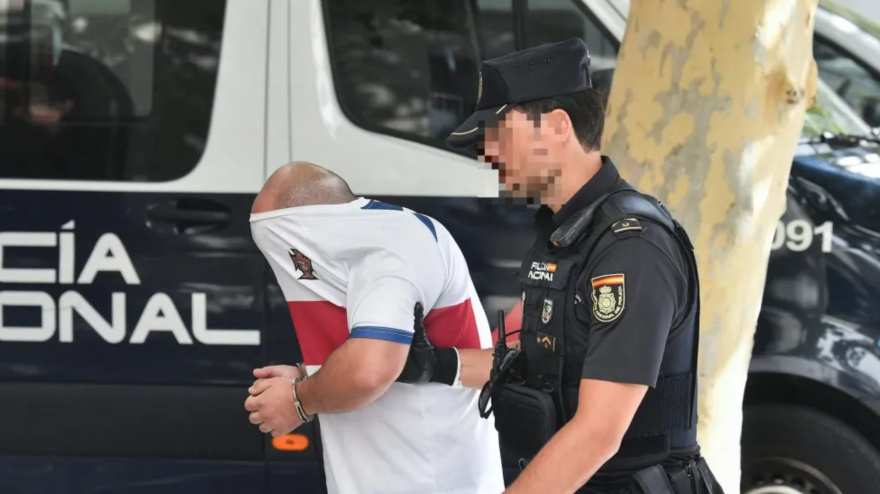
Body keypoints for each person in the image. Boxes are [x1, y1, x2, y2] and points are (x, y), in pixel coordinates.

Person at [406, 38, 724, 493]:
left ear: (556, 127)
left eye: (498, 134)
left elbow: (598, 432)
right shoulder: (564, 234)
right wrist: (431, 365)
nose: (487, 154)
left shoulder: (631, 247)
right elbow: (545, 369)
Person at [243, 162, 505, 494]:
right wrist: (310, 373)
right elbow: (365, 349)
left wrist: (298, 400)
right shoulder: (375, 243)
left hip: (433, 479)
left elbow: (368, 371)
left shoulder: (394, 245)